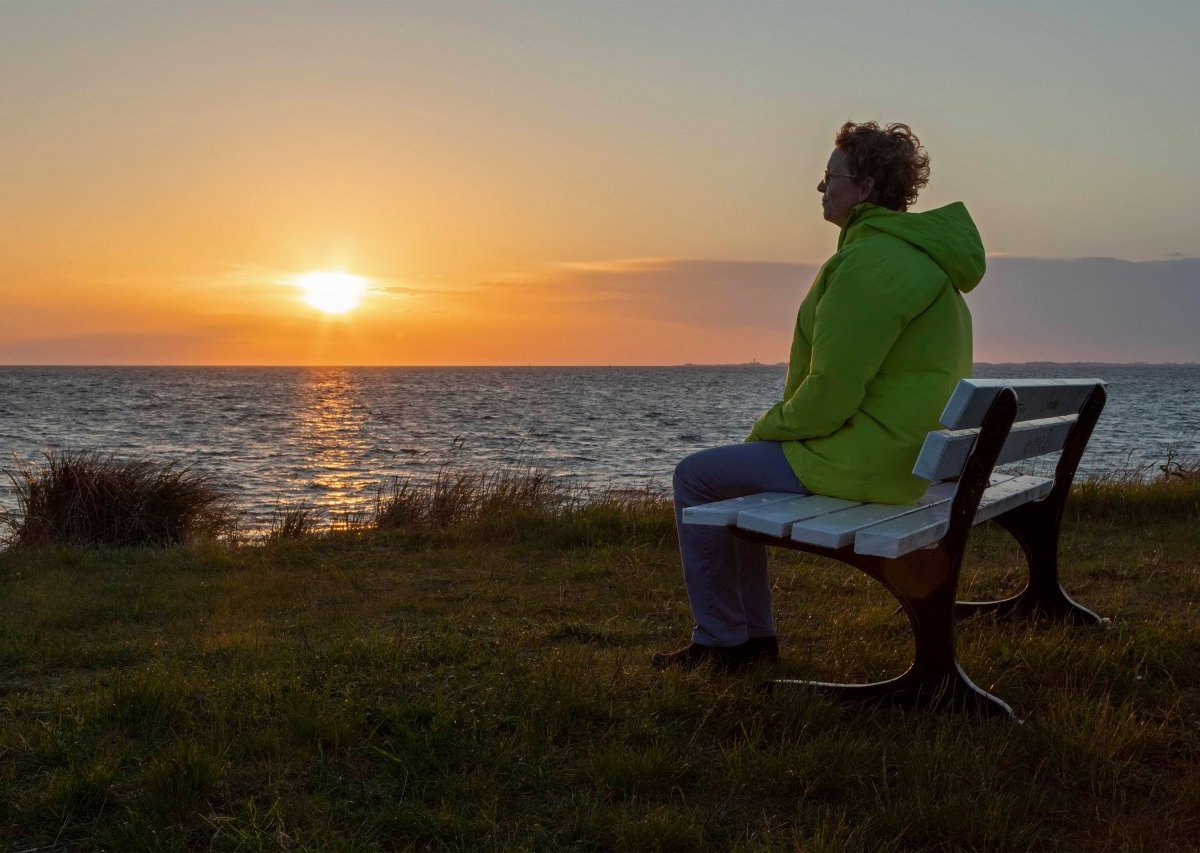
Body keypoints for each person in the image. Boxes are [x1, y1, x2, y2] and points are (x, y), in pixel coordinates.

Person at [653, 121, 985, 672]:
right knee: (730, 475)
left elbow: (831, 394)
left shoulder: (868, 264)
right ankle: (745, 640)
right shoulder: (924, 262)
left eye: (831, 176)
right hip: (911, 454)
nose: (821, 188)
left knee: (697, 476)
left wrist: (767, 428)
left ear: (867, 187)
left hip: (873, 460)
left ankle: (726, 643)